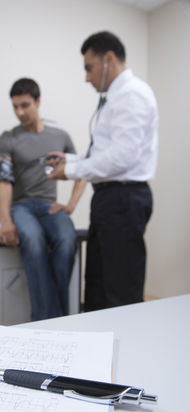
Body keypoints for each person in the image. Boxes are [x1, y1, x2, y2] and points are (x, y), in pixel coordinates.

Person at [47, 31, 159, 311]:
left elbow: (122, 158)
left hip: (123, 199)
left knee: (119, 293)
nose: (87, 77)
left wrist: (71, 170)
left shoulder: (132, 94)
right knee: (97, 286)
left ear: (109, 59)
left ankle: (126, 353)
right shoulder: (116, 98)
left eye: (89, 68)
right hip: (110, 201)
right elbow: (105, 154)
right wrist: (70, 160)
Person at [0, 78, 86, 321]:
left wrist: (71, 205)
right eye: (15, 106)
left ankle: (55, 318)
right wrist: (5, 220)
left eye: (25, 105)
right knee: (33, 241)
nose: (20, 112)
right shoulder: (7, 138)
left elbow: (83, 171)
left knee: (68, 240)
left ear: (38, 101)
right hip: (22, 206)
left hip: (49, 206)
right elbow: (3, 181)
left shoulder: (60, 136)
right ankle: (52, 321)